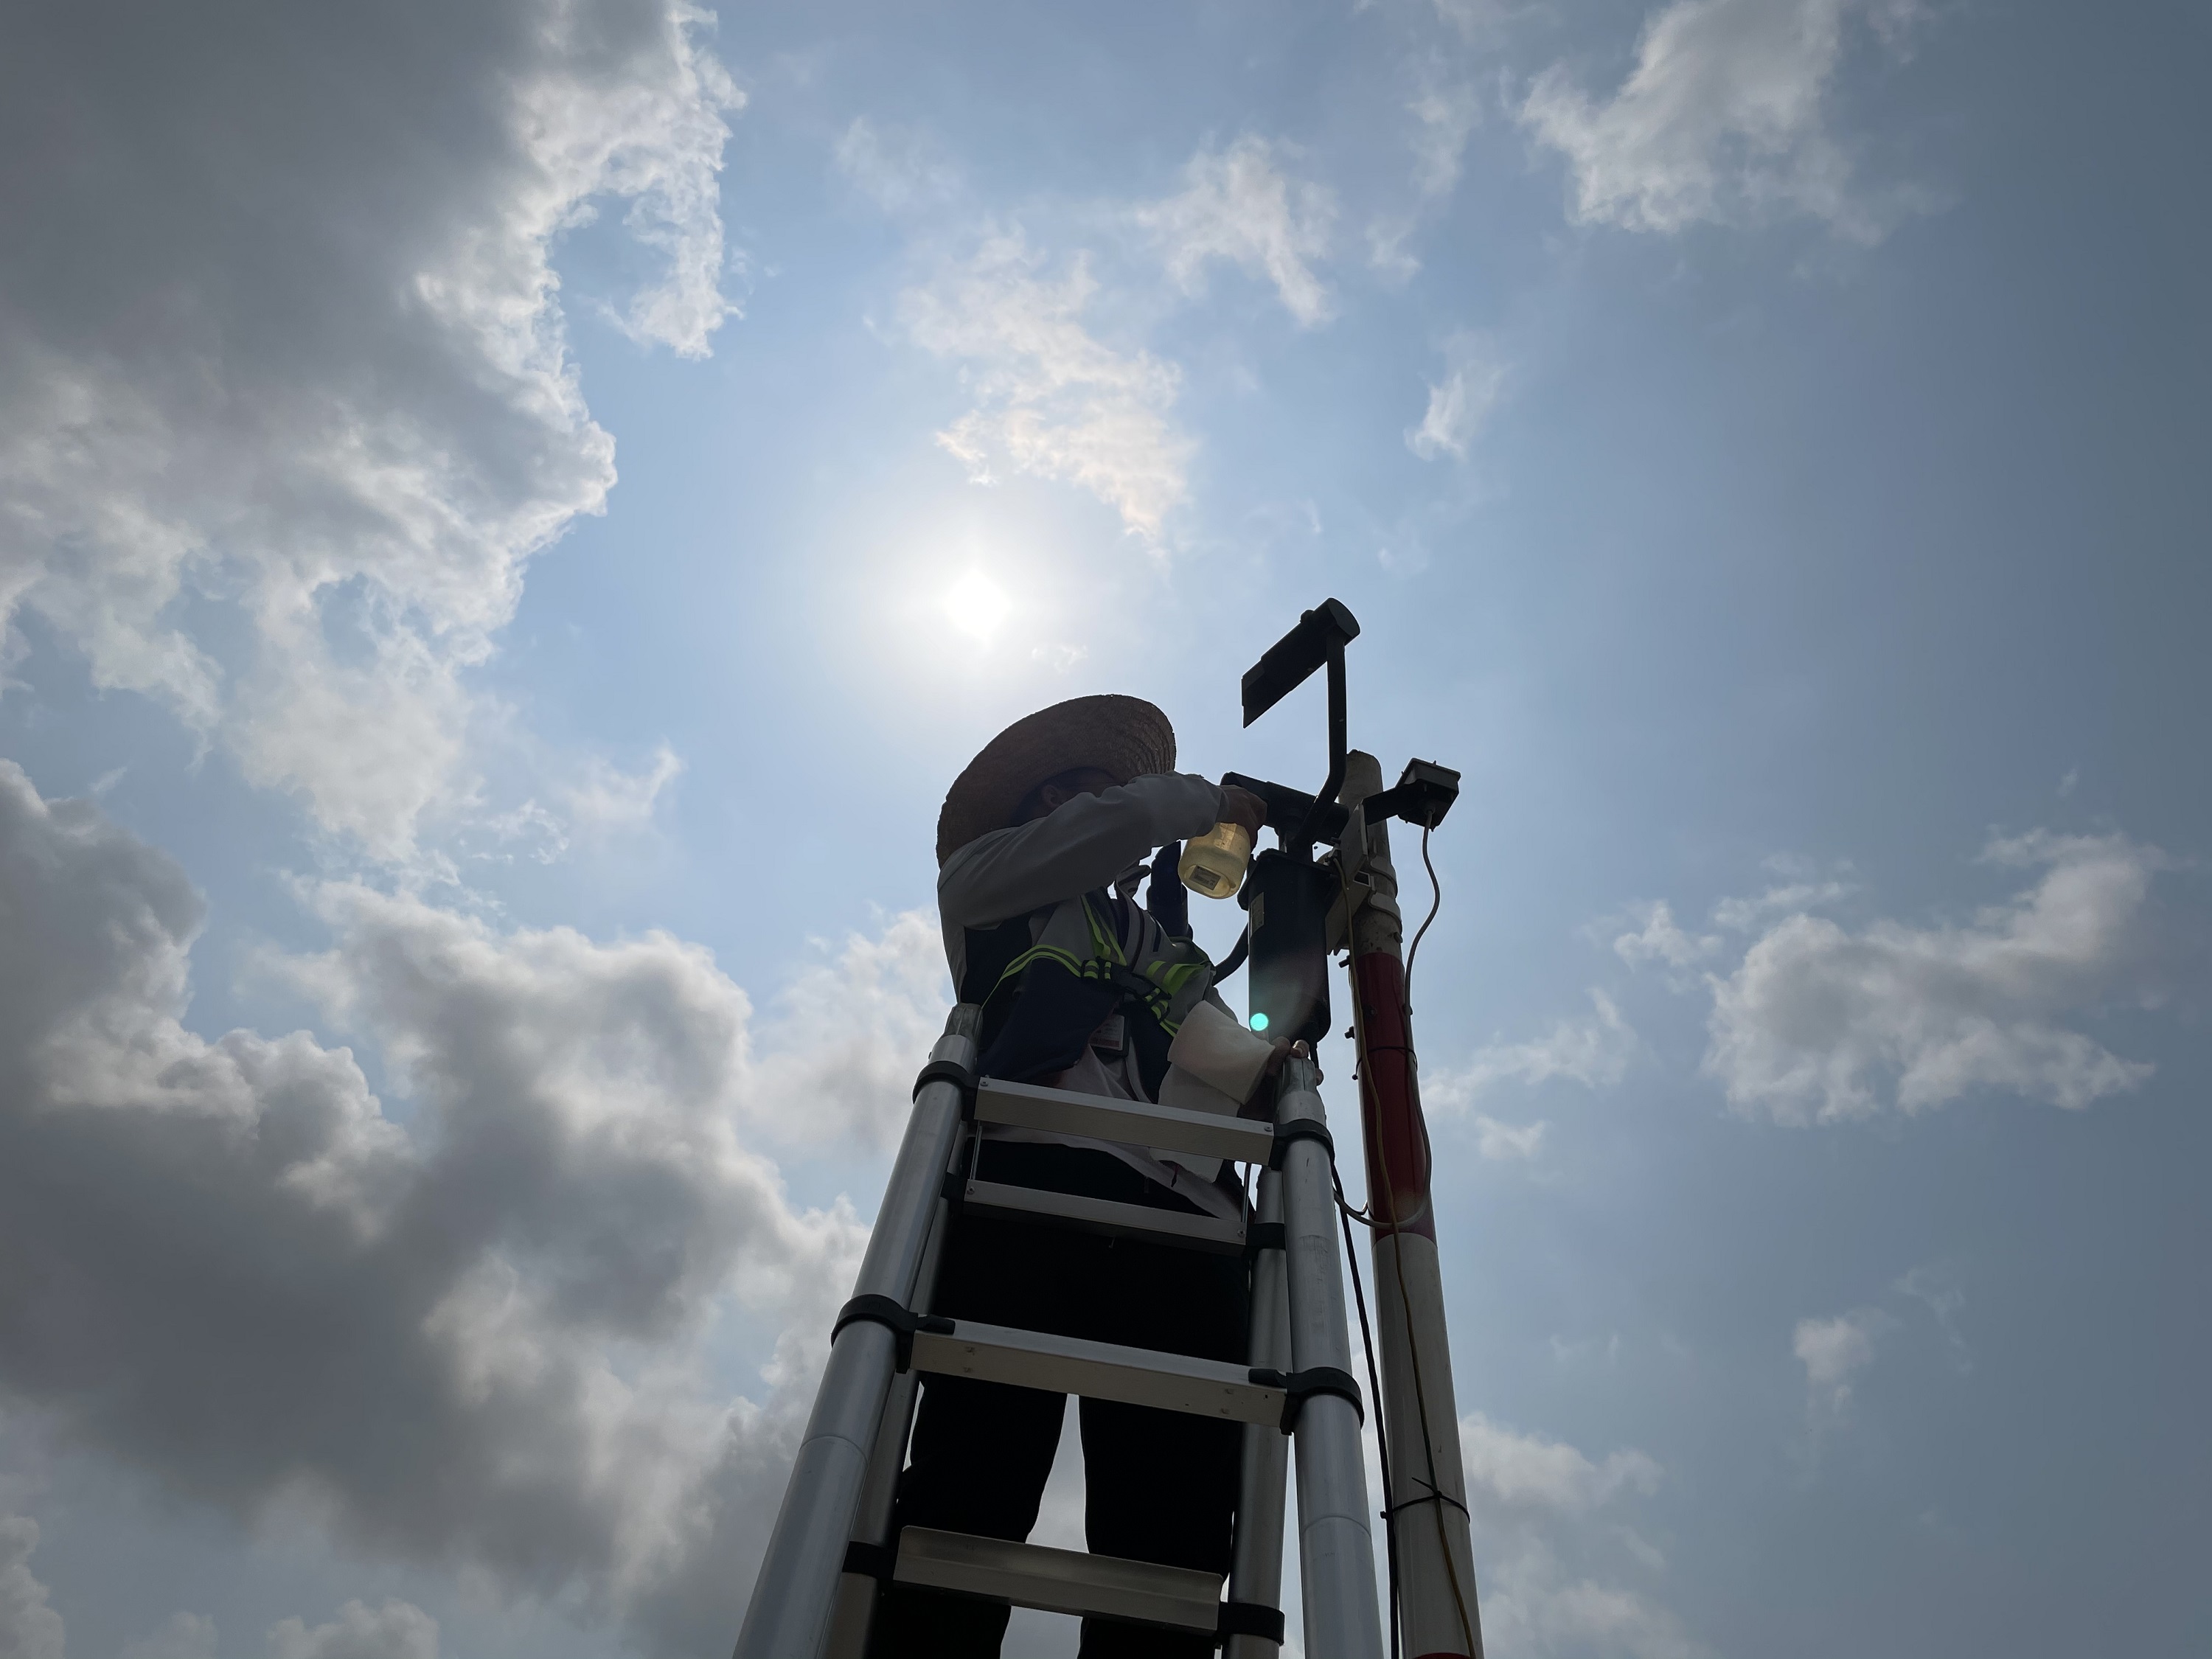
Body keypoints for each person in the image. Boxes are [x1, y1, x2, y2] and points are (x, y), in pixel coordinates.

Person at [868, 694, 1285, 1659]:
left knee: (1171, 1534)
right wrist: (1199, 800)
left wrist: (1287, 990)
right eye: (1096, 792)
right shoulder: (985, 881)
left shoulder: (1162, 945)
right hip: (1032, 1192)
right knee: (970, 1496)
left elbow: (1230, 1057)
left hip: (1178, 1222)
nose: (1119, 814)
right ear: (1049, 800)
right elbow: (1127, 822)